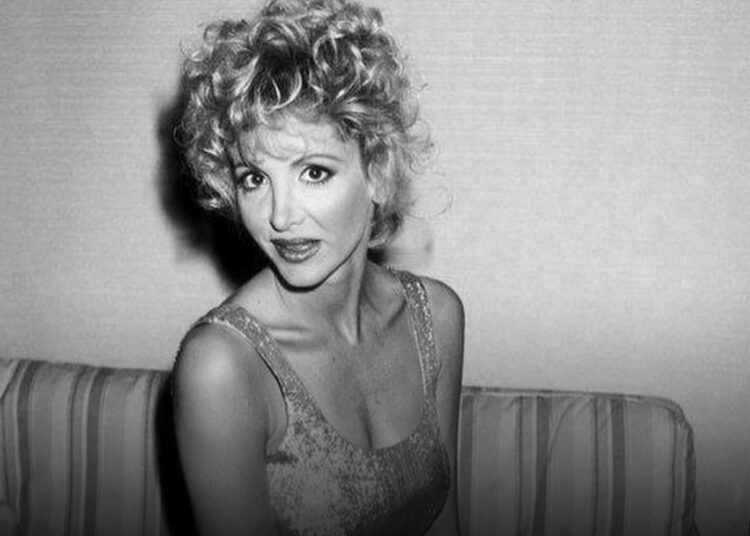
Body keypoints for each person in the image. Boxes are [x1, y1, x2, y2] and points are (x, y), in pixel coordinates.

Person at [171, 0, 464, 534]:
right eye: (254, 179)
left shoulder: (436, 317)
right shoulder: (223, 367)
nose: (280, 217)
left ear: (377, 172)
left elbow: (444, 521)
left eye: (313, 172)